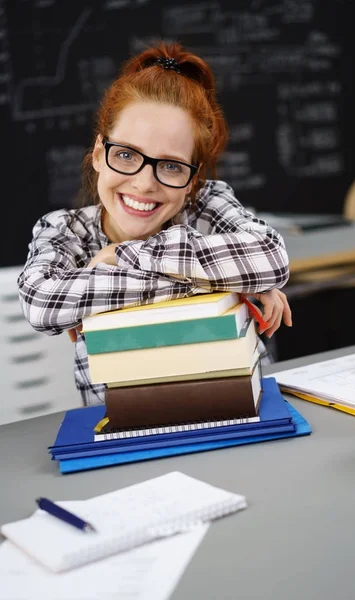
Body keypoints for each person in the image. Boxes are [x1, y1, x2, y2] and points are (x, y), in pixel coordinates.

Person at [18, 41, 292, 406]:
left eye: (172, 166)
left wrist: (121, 256)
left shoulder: (205, 202)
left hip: (241, 413)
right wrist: (224, 284)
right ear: (99, 154)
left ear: (192, 179)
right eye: (127, 155)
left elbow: (271, 256)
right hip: (124, 434)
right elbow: (42, 302)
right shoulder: (64, 231)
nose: (145, 183)